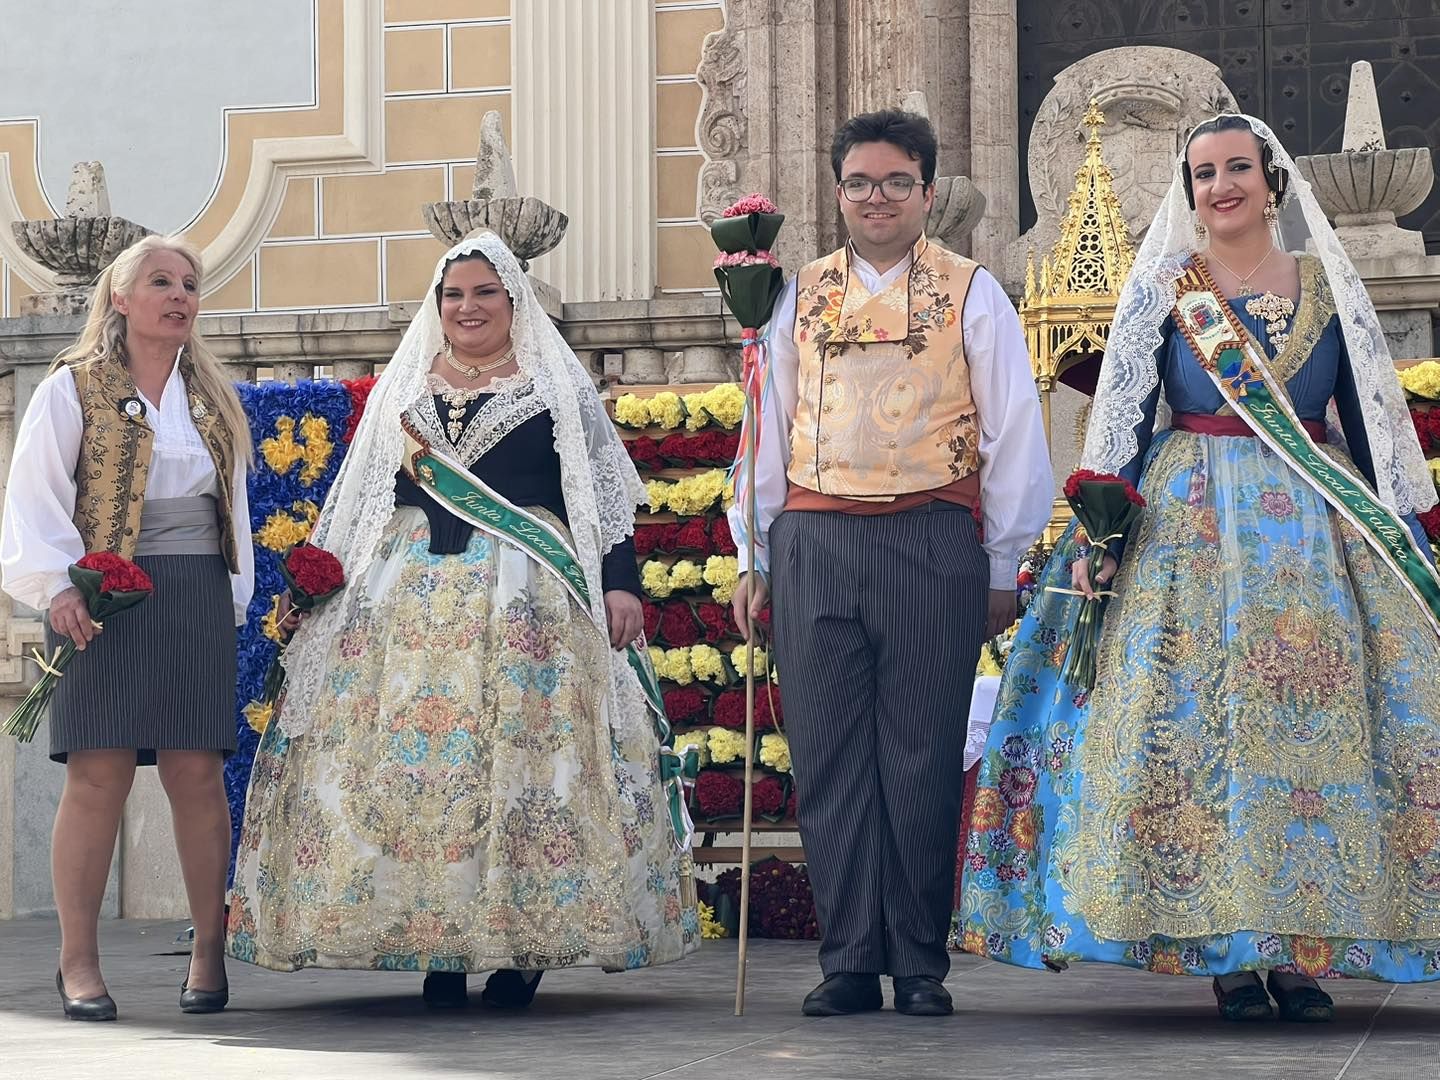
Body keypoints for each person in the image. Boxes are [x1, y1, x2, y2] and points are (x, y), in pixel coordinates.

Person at [958, 113, 1440, 1023]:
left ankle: (1302, 949)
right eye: (1203, 173)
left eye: (1237, 170)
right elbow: (1127, 425)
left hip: (1312, 533)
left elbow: (1370, 427)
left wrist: (1408, 532)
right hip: (1184, 530)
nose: (1221, 186)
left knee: (1310, 723)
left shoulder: (1329, 292)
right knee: (1196, 726)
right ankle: (1221, 947)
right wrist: (1102, 539)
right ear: (1189, 193)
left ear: (1273, 182)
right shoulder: (1164, 294)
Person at [226, 231, 698, 1009]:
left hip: (527, 601)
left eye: (485, 293)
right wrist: (317, 585)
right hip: (401, 601)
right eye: (454, 295)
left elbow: (603, 503)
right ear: (437, 307)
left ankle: (521, 948)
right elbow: (362, 498)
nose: (468, 307)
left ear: (513, 303)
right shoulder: (405, 387)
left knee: (519, 760)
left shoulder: (555, 387)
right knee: (414, 769)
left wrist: (621, 586)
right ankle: (435, 948)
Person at [728, 109, 1054, 1017]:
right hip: (816, 541)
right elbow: (769, 427)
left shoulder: (972, 291)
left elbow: (1013, 431)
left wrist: (1003, 563)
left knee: (917, 754)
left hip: (930, 538)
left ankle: (917, 960)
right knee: (828, 757)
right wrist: (752, 551)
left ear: (929, 192)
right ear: (838, 194)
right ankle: (848, 959)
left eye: (897, 182)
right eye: (861, 183)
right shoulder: (796, 295)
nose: (878, 198)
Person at [1, 235, 255, 1020]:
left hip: (193, 593)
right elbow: (36, 495)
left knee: (196, 773)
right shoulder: (71, 388)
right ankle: (78, 962)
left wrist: (233, 598)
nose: (179, 294)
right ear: (119, 296)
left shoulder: (213, 395)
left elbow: (232, 508)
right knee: (97, 774)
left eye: (189, 284)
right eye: (160, 282)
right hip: (101, 596)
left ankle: (208, 954)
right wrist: (57, 592)